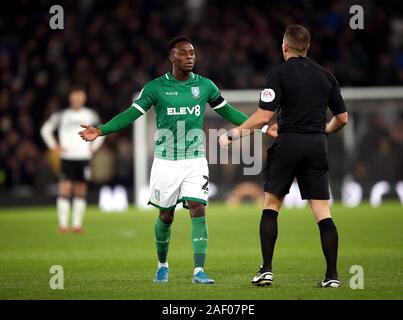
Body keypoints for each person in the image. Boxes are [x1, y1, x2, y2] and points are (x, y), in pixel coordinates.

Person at [79, 36, 277, 284]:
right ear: (172, 57)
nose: (190, 57)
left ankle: (199, 271)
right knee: (166, 215)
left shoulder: (205, 86)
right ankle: (162, 265)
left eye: (192, 53)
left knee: (198, 207)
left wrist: (262, 127)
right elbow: (131, 114)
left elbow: (228, 111)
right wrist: (101, 129)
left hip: (195, 160)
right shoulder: (155, 88)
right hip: (165, 162)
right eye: (184, 53)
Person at [219, 25, 348, 288]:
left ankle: (266, 270)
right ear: (307, 47)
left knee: (272, 206)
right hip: (316, 144)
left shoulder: (277, 73)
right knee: (323, 212)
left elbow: (264, 116)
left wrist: (234, 134)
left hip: (288, 143)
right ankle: (332, 276)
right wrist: (323, 130)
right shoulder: (326, 76)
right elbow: (342, 119)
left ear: (284, 47)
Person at [41, 87, 105, 234]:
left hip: (83, 156)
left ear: (84, 99)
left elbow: (102, 129)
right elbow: (45, 129)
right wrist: (54, 146)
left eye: (79, 97)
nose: (77, 100)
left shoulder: (90, 114)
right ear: (71, 99)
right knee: (64, 188)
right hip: (67, 157)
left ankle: (77, 225)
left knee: (81, 190)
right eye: (75, 97)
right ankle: (63, 225)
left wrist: (94, 147)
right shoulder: (62, 114)